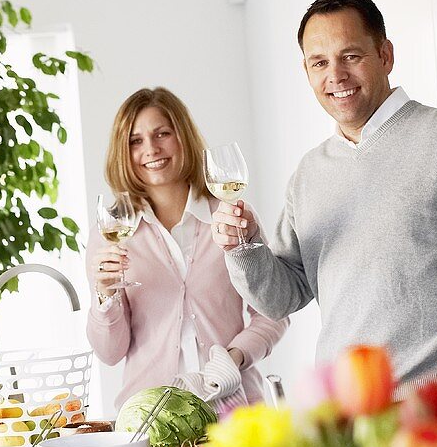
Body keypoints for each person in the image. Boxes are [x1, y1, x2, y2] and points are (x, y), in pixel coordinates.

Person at [212, 0, 437, 394]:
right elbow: (283, 297)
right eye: (319, 62)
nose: (335, 75)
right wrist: (244, 248)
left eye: (351, 56)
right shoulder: (309, 173)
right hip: (345, 423)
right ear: (307, 70)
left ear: (385, 55)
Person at [87, 87, 288, 414]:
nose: (151, 149)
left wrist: (233, 358)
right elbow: (110, 353)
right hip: (152, 420)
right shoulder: (109, 235)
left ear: (183, 137)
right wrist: (105, 297)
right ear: (123, 152)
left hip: (236, 411)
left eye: (162, 133)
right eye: (135, 141)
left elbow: (272, 311)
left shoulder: (231, 217)